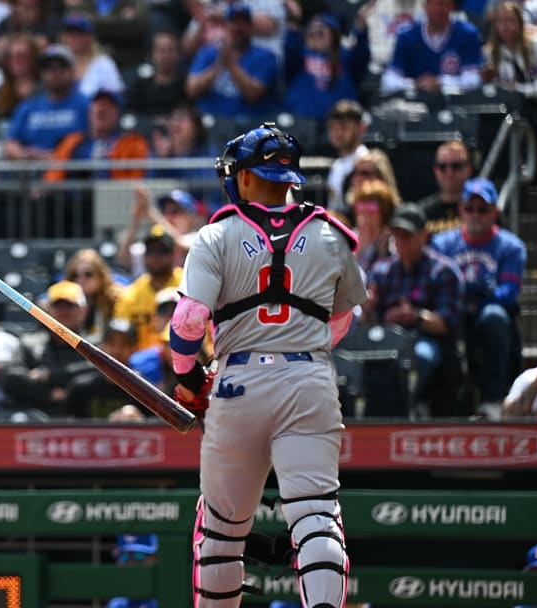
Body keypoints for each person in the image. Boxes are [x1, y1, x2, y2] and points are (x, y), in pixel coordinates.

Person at [169, 123, 364, 608]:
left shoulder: (215, 235)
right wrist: (301, 348)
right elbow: (343, 318)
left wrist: (191, 380)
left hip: (238, 382)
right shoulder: (330, 233)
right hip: (310, 380)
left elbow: (190, 320)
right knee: (317, 514)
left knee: (221, 527)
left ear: (247, 178)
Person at [431, 177, 526, 416]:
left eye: (482, 209)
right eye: (469, 208)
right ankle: (433, 402)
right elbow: (434, 288)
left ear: (494, 211)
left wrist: (478, 300)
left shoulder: (511, 247)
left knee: (494, 315)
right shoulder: (442, 244)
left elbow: (509, 293)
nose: (475, 214)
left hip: (489, 316)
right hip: (454, 314)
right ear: (461, 210)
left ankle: (492, 400)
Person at [363, 203, 466, 417]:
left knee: (421, 356)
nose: (401, 241)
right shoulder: (381, 271)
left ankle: (413, 406)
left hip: (427, 339)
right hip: (384, 340)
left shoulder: (443, 271)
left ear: (423, 235)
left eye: (407, 235)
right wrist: (368, 309)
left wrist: (414, 317)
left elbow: (448, 323)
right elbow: (367, 323)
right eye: (397, 235)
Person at [1, 280, 93, 415]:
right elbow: (10, 376)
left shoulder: (93, 345)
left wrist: (48, 376)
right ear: (48, 310)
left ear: (83, 311)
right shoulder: (30, 343)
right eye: (58, 306)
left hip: (83, 419)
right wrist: (48, 394)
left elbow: (96, 373)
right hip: (34, 418)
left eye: (70, 306)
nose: (63, 312)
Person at [481, 1, 537, 138]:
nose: (505, 27)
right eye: (500, 22)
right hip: (504, 111)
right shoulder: (489, 53)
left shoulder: (535, 44)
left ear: (520, 23)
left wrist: (523, 91)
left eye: (510, 21)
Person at [185, 4, 279, 121]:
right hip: (210, 122)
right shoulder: (208, 53)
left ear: (251, 27)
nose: (238, 28)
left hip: (248, 125)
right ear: (226, 26)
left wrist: (231, 65)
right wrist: (218, 65)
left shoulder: (265, 57)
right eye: (234, 22)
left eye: (243, 23)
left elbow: (253, 94)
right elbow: (191, 90)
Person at [2, 43, 89, 160]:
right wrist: (25, 154)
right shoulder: (28, 107)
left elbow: (96, 141)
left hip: (72, 173)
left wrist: (57, 156)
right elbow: (10, 144)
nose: (55, 72)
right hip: (34, 173)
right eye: (48, 67)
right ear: (42, 73)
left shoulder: (86, 105)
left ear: (72, 71)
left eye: (61, 66)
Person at [381, 0, 485, 95]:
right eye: (434, 4)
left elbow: (474, 80)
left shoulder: (468, 33)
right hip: (415, 105)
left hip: (456, 104)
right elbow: (388, 82)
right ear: (425, 6)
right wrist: (415, 84)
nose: (439, 9)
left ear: (452, 7)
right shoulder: (407, 35)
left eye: (444, 4)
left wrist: (441, 83)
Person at [113, 226, 183, 351]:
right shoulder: (130, 294)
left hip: (183, 359)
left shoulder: (188, 285)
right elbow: (120, 338)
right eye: (150, 251)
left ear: (174, 254)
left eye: (162, 251)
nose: (155, 256)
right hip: (140, 366)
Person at [64, 248, 122, 343]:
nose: (80, 279)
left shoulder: (117, 300)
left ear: (100, 274)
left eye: (88, 274)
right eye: (75, 275)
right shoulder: (65, 302)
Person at [418, 140, 474, 235]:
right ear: (435, 170)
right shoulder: (421, 213)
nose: (449, 173)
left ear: (468, 169)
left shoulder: (480, 210)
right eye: (442, 167)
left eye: (456, 166)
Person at [325, 100, 369, 210]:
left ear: (361, 128)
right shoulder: (337, 165)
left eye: (344, 127)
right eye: (333, 127)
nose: (338, 133)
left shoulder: (365, 162)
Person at [350, 179, 400, 273]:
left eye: (372, 206)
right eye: (361, 205)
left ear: (384, 211)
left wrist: (383, 255)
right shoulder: (350, 237)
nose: (365, 211)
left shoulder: (392, 241)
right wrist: (359, 249)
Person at [107, 534, 159, 608]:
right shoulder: (117, 604)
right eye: (124, 557)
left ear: (155, 559)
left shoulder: (169, 599)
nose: (130, 564)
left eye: (139, 556)